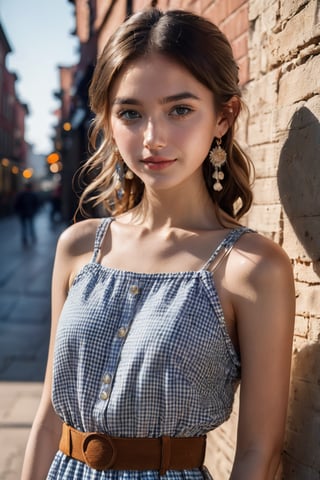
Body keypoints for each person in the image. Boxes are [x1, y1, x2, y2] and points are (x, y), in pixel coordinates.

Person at [21, 8, 295, 480]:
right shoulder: (79, 246)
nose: (153, 137)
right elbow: (48, 417)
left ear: (223, 117)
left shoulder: (250, 268)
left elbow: (259, 452)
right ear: (108, 120)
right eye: (131, 112)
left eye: (180, 109)